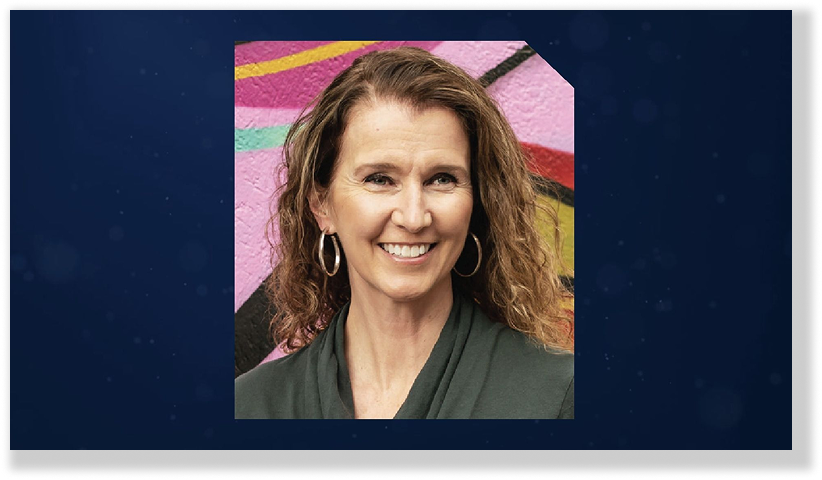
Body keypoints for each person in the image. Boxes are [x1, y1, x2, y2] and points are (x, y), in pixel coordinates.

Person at [235, 47, 574, 419]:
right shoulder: (250, 406)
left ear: (476, 201)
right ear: (322, 206)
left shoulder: (558, 396)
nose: (414, 218)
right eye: (380, 179)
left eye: (442, 179)